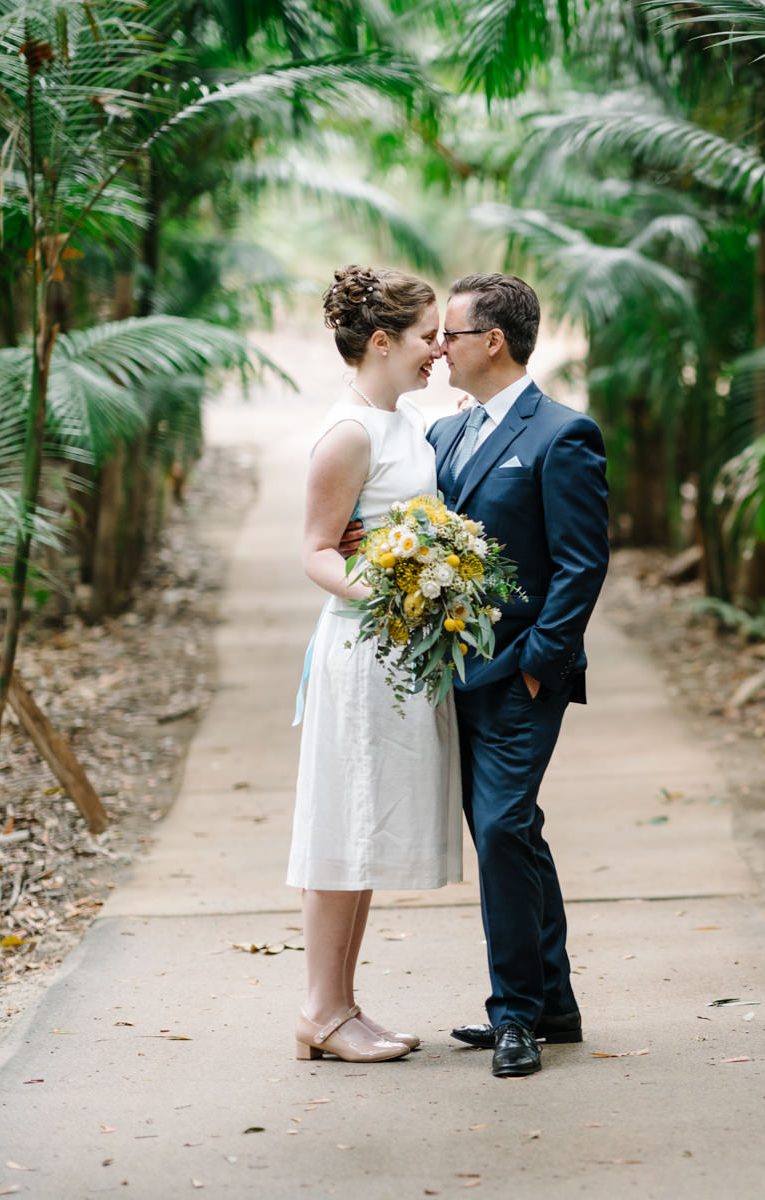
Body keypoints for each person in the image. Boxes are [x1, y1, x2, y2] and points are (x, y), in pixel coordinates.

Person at [428, 273, 610, 1078]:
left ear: (491, 342)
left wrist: (539, 664)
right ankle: (557, 1004)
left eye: (450, 335)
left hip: (521, 675)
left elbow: (581, 563)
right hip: (451, 676)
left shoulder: (562, 435)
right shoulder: (441, 436)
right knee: (514, 829)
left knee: (500, 826)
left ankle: (516, 1018)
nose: (439, 349)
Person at [288, 265, 462, 1064]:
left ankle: (344, 1007)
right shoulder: (350, 431)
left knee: (364, 830)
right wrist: (390, 595)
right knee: (343, 826)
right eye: (429, 336)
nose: (439, 350)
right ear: (383, 342)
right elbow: (318, 551)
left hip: (398, 650)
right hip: (362, 650)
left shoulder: (403, 421)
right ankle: (320, 1012)